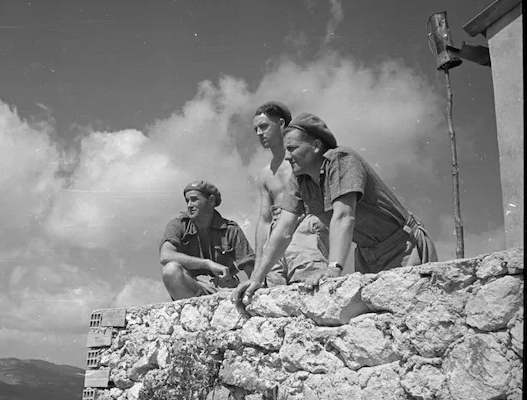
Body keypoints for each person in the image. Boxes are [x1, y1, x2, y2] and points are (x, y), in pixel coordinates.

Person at [233, 112, 438, 307]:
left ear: (315, 145)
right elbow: (284, 229)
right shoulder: (299, 179)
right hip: (368, 255)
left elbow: (343, 216)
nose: (287, 157)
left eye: (293, 148)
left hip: (403, 247)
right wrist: (257, 278)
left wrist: (332, 269)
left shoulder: (341, 160)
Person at [252, 102, 329, 287]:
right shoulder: (265, 174)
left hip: (305, 225)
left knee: (307, 285)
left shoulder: (303, 159)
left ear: (280, 124)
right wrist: (258, 263)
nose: (259, 133)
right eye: (255, 129)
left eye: (263, 126)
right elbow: (264, 219)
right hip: (276, 234)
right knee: (271, 294)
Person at [160, 180, 255, 300]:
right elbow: (165, 255)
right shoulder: (178, 225)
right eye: (187, 200)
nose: (189, 205)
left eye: (194, 199)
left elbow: (250, 267)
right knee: (170, 270)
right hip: (194, 287)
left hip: (225, 290)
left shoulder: (231, 229)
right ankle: (192, 314)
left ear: (211, 200)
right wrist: (207, 264)